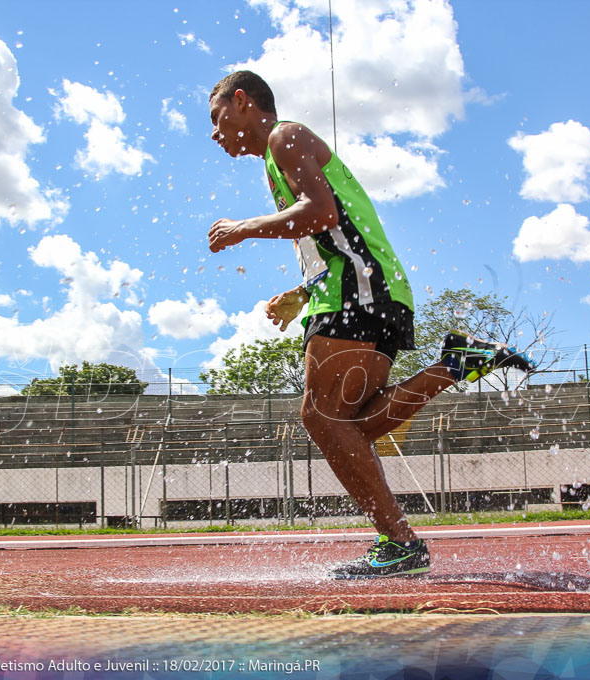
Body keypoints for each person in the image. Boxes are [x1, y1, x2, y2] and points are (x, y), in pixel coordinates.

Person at [207, 70, 533, 578]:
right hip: (370, 291)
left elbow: (319, 212)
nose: (214, 132)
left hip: (358, 292)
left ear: (242, 101)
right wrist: (301, 294)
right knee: (351, 426)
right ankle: (456, 364)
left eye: (216, 116)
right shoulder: (277, 153)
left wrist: (243, 228)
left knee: (322, 419)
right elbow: (334, 233)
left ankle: (399, 541)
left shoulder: (283, 137)